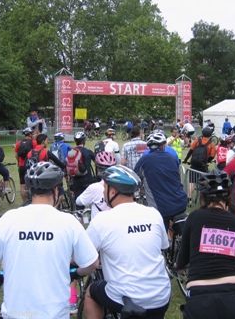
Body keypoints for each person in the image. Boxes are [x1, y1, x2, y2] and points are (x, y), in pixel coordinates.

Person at [0, 162, 99, 319]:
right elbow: (92, 263)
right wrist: (75, 274)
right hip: (54, 314)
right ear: (56, 191)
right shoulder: (68, 222)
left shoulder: (9, 218)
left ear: (30, 191)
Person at [176, 170, 235, 319]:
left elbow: (182, 259)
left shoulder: (194, 218)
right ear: (227, 196)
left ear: (203, 197)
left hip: (200, 298)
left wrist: (179, 266)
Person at [84, 165, 171, 318]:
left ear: (113, 191)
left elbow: (83, 256)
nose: (104, 192)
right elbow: (164, 246)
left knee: (91, 293)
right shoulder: (153, 213)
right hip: (160, 296)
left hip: (126, 298)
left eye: (105, 188)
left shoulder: (102, 220)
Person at [134, 132, 188, 230]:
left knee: (161, 237)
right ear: (163, 146)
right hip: (180, 201)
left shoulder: (145, 159)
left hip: (159, 207)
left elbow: (135, 178)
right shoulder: (172, 157)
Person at [76, 151, 116, 219]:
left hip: (98, 226)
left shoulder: (94, 187)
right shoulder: (120, 186)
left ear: (97, 169)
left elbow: (78, 201)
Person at [71, 132, 96, 200]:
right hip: (87, 179)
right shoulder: (88, 151)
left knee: (78, 201)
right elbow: (97, 161)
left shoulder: (71, 151)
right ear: (84, 141)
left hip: (75, 179)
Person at [14, 127, 36, 202]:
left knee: (22, 186)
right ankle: (32, 201)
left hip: (21, 165)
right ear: (30, 134)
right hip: (31, 166)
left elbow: (16, 155)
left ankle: (24, 202)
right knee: (31, 185)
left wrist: (19, 161)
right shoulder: (33, 142)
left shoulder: (18, 143)